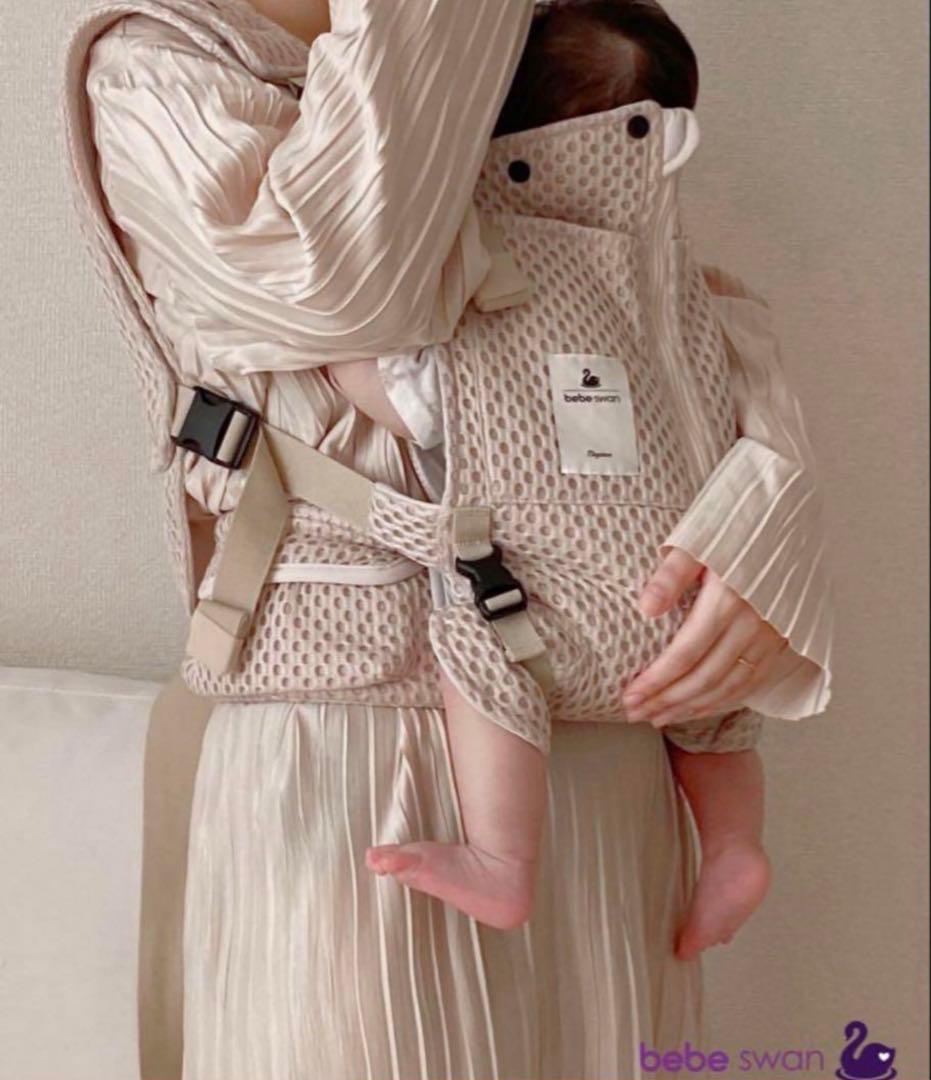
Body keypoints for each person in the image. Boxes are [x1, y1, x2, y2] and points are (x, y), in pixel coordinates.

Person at [66, 0, 833, 1074]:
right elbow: (345, 287)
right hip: (349, 737)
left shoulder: (543, 37)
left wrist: (763, 531)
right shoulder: (164, 64)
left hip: (609, 744)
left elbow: (680, 328)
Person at [331, 0, 783, 955]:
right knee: (714, 712)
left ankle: (502, 860)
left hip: (548, 622)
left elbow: (413, 404)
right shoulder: (686, 293)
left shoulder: (482, 282)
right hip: (692, 618)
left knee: (472, 643)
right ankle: (733, 846)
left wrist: (334, 359)